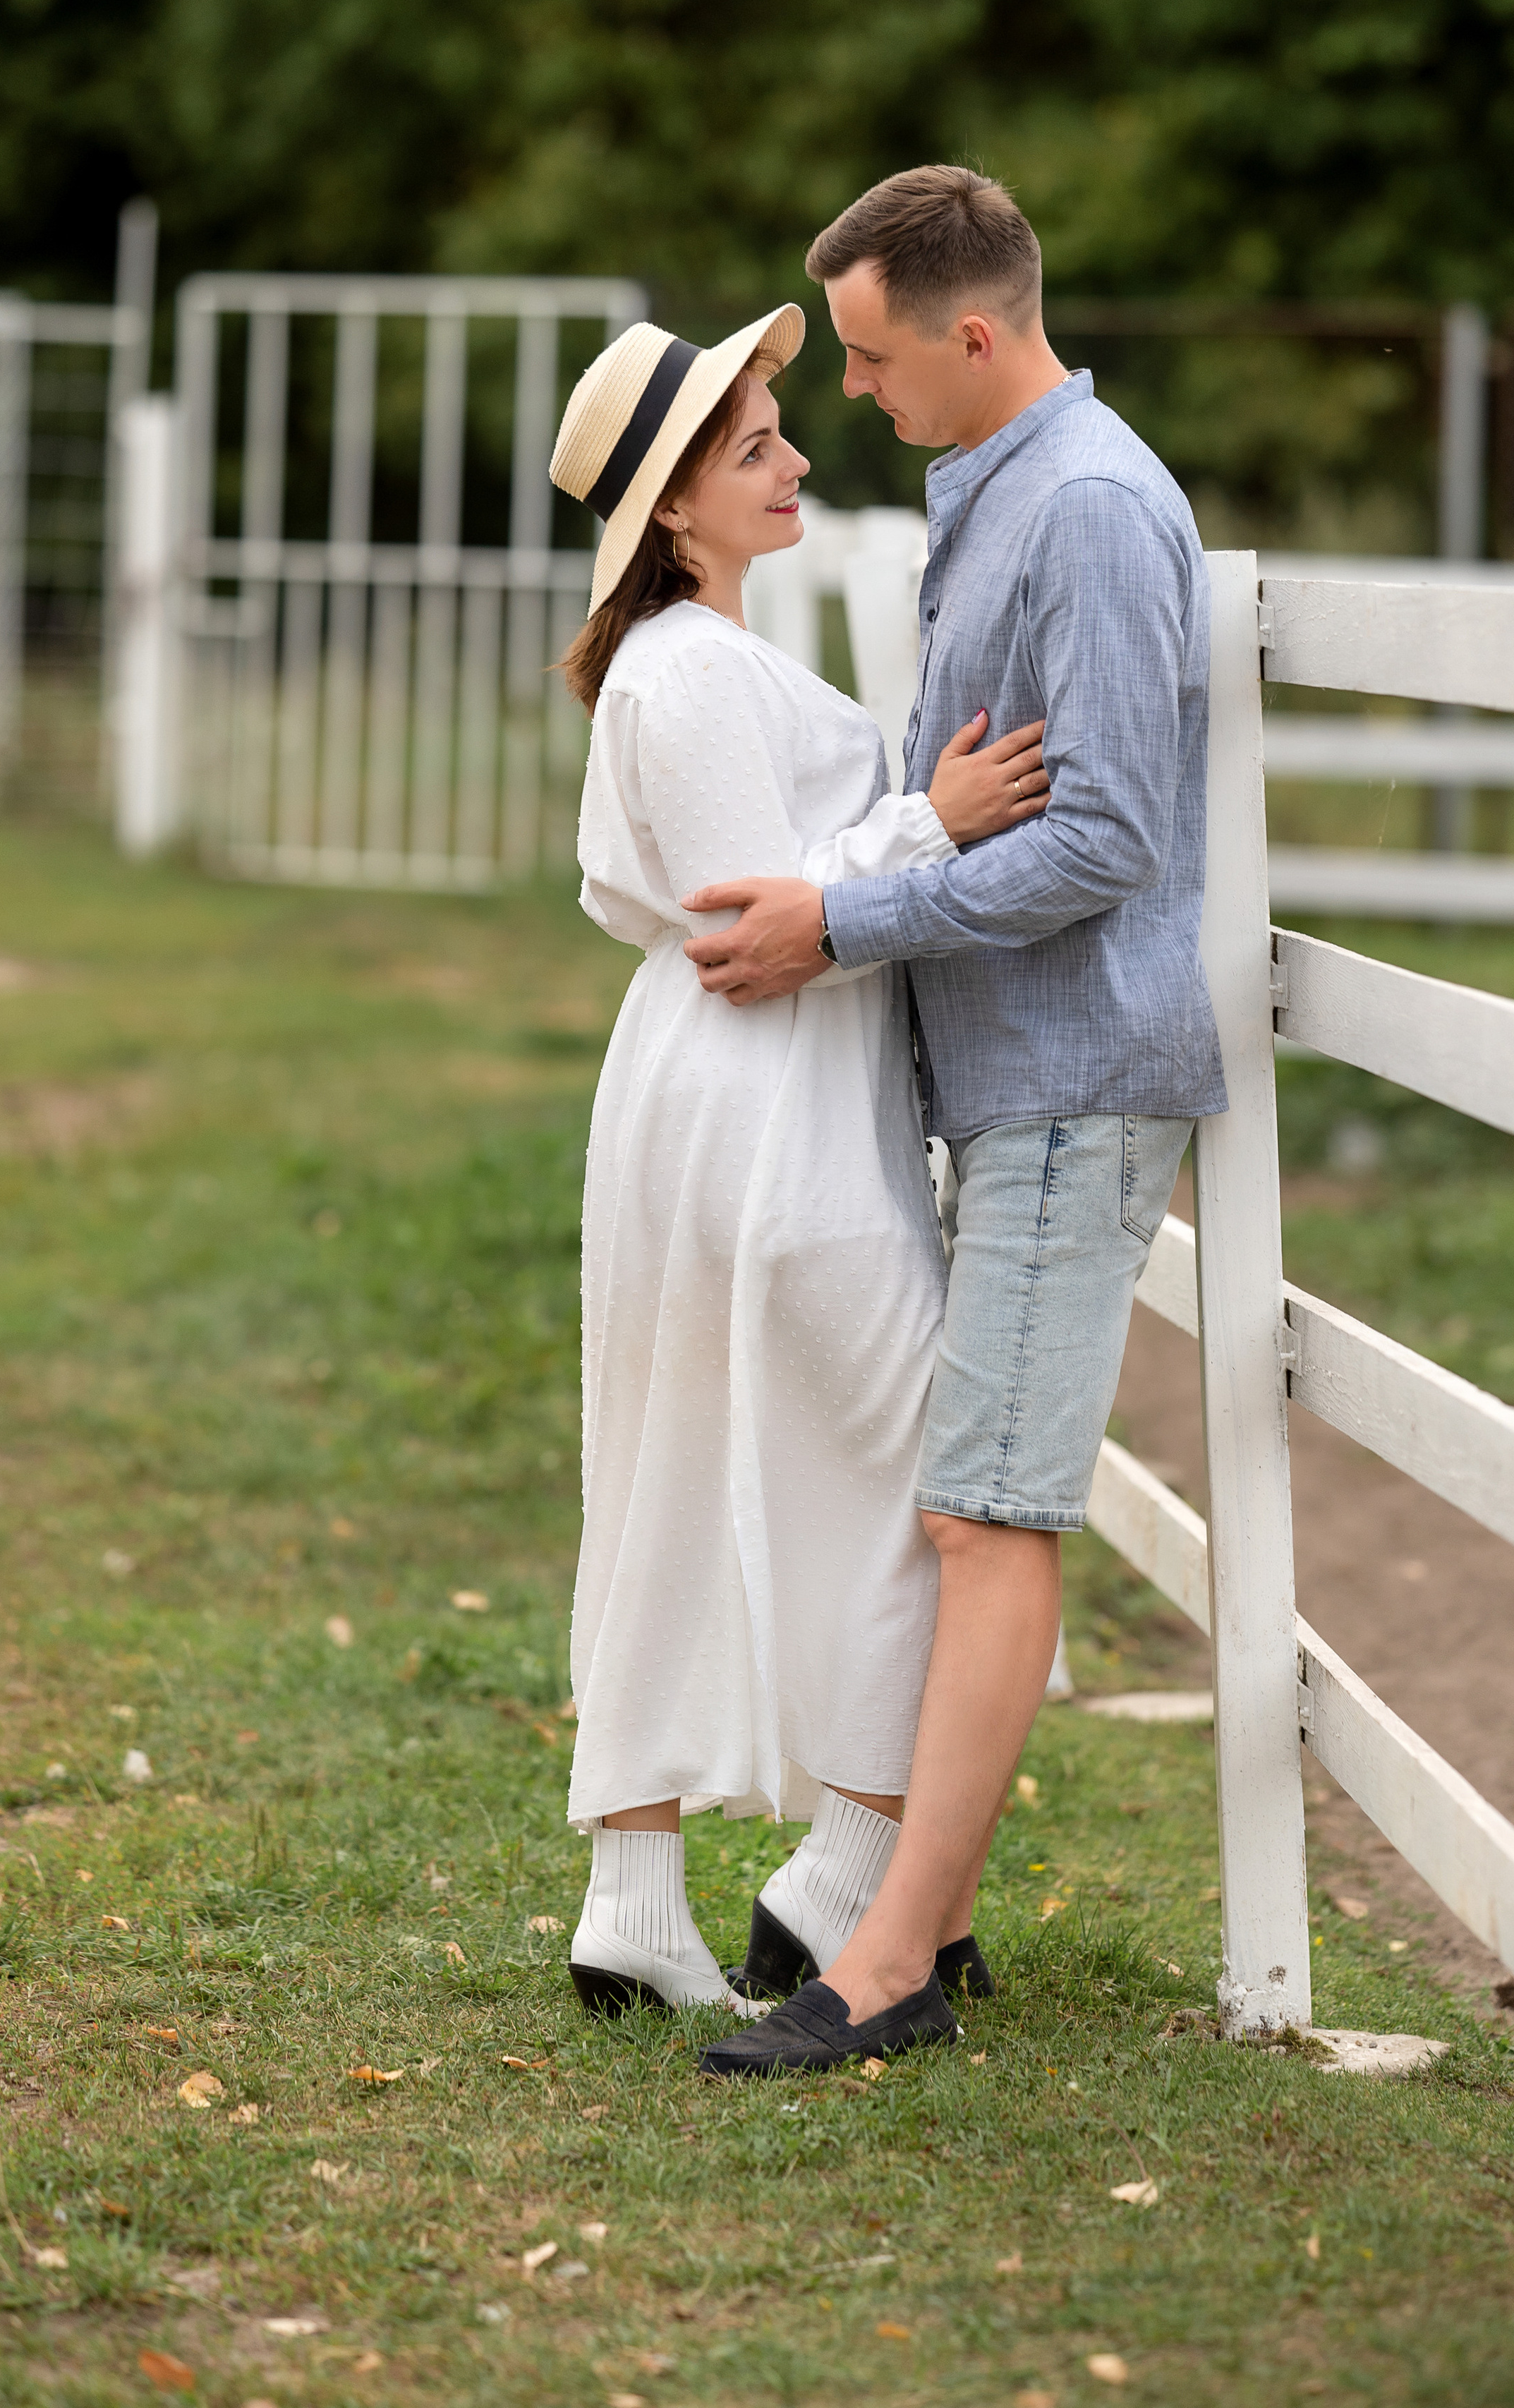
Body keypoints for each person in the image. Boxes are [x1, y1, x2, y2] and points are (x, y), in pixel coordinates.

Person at [681, 167, 1228, 2076]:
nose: (849, 392)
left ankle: (895, 1963)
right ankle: (937, 1922)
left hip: (1073, 1078)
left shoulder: (1081, 508)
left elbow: (1109, 838)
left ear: (972, 334)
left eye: (867, 351)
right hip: (1005, 1078)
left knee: (987, 1519)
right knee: (965, 1505)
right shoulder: (996, 494)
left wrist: (844, 919)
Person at [548, 301, 1052, 2017]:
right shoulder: (682, 670)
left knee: (690, 1465)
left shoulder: (697, 660)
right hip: (758, 1106)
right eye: (753, 446)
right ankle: (831, 1875)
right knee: (947, 1483)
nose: (795, 460)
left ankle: (648, 1901)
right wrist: (937, 819)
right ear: (672, 508)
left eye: (776, 431)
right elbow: (753, 914)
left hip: (734, 1095)